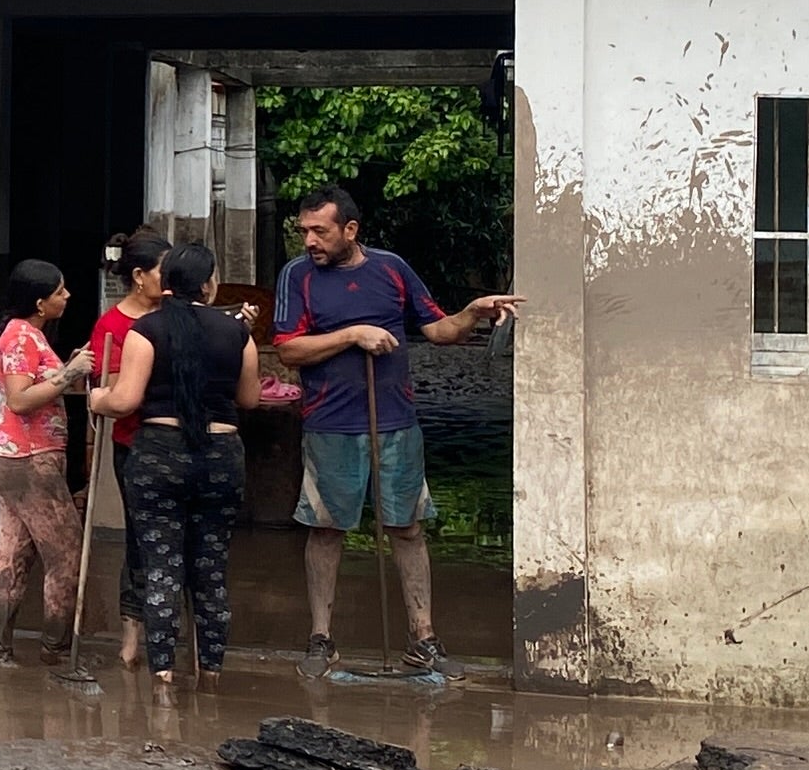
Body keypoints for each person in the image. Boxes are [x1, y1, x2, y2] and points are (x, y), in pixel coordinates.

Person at [268, 185, 519, 681]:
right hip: (330, 422)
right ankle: (321, 638)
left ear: (351, 230)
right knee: (326, 527)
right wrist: (351, 334)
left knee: (407, 526)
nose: (310, 242)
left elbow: (440, 331)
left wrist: (472, 312)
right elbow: (288, 350)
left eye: (320, 231)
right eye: (304, 232)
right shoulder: (297, 276)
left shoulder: (391, 269)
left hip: (396, 421)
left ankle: (423, 640)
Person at [92, 233, 265, 689]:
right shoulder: (238, 334)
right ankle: (210, 674)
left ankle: (163, 674)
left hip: (159, 456)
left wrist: (97, 397)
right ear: (208, 286)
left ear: (166, 282)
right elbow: (249, 399)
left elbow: (125, 400)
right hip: (222, 457)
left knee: (162, 566)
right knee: (210, 570)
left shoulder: (144, 332)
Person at [0, 258, 97, 684]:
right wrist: (69, 372)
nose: (67, 297)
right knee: (67, 554)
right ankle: (56, 650)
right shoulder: (20, 338)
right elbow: (19, 400)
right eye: (60, 291)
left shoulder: (29, 336)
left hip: (16, 458)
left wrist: (69, 370)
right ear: (40, 301)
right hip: (28, 459)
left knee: (12, 554)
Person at [84, 233, 165, 670]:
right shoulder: (112, 325)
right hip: (134, 443)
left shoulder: (177, 314)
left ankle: (169, 634)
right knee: (138, 539)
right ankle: (132, 634)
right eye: (161, 270)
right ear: (138, 277)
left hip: (176, 442)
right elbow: (108, 388)